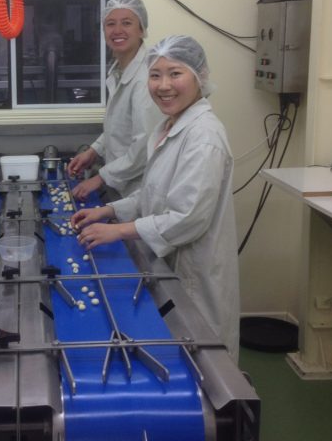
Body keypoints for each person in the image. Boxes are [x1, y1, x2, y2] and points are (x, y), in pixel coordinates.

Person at [70, 35, 240, 361]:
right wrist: (107, 210)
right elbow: (152, 194)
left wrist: (118, 230)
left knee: (205, 365)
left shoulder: (204, 137)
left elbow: (186, 217)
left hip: (194, 272)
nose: (164, 85)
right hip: (170, 263)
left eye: (175, 73)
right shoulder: (169, 126)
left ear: (200, 76)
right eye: (155, 74)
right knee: (180, 356)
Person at [67, 0, 162, 200]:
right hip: (122, 184)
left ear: (142, 29)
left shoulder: (146, 77)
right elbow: (118, 127)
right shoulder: (119, 70)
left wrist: (100, 178)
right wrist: (94, 151)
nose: (117, 30)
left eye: (126, 23)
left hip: (141, 187)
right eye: (110, 24)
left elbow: (143, 146)